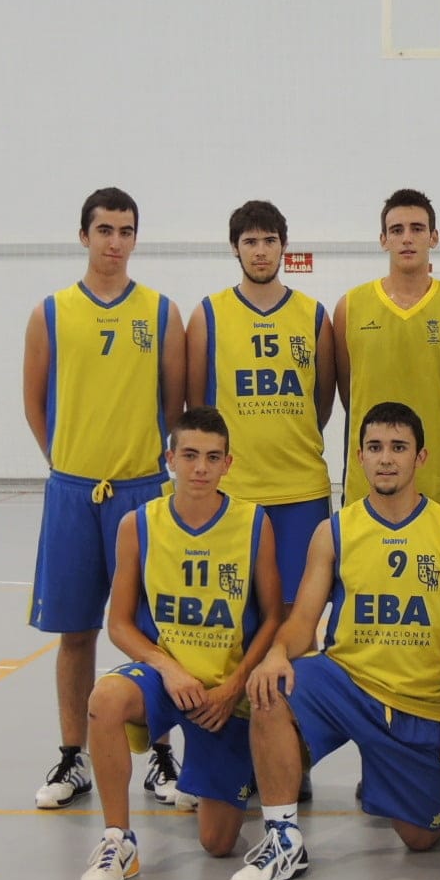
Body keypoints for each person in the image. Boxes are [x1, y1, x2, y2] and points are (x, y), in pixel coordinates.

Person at [229, 402, 440, 880]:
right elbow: (302, 620)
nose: (386, 459)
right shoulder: (335, 530)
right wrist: (277, 653)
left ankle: (404, 780)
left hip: (415, 699)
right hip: (344, 682)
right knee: (269, 691)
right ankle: (282, 838)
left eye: (398, 448)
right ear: (360, 457)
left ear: (421, 456)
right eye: (375, 448)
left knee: (422, 838)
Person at [23, 188, 186, 809]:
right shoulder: (51, 313)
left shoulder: (161, 312)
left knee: (156, 627)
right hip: (72, 491)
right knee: (75, 630)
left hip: (143, 492)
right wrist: (65, 460)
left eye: (125, 230)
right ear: (84, 235)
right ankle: (73, 758)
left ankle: (163, 755)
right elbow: (36, 402)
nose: (115, 241)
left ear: (136, 239)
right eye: (104, 229)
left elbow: (175, 407)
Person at [77, 407, 283, 880]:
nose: (200, 468)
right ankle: (117, 841)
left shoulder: (254, 523)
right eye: (189, 456)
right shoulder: (139, 524)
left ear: (228, 464)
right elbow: (120, 624)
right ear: (170, 458)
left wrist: (235, 687)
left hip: (224, 694)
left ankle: (233, 769)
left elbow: (274, 617)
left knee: (217, 844)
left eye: (212, 458)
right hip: (169, 681)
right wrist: (168, 669)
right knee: (105, 700)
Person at [187, 199, 334, 611]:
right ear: (235, 248)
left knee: (297, 617)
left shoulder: (314, 315)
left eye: (270, 240)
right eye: (250, 241)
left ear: (284, 246)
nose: (261, 251)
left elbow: (322, 400)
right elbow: (197, 403)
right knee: (234, 613)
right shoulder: (208, 314)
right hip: (234, 489)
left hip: (300, 488)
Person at [334, 188, 440, 524]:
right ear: (383, 239)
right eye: (397, 230)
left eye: (417, 228)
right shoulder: (350, 307)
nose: (407, 239)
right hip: (370, 486)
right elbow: (349, 392)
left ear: (434, 237)